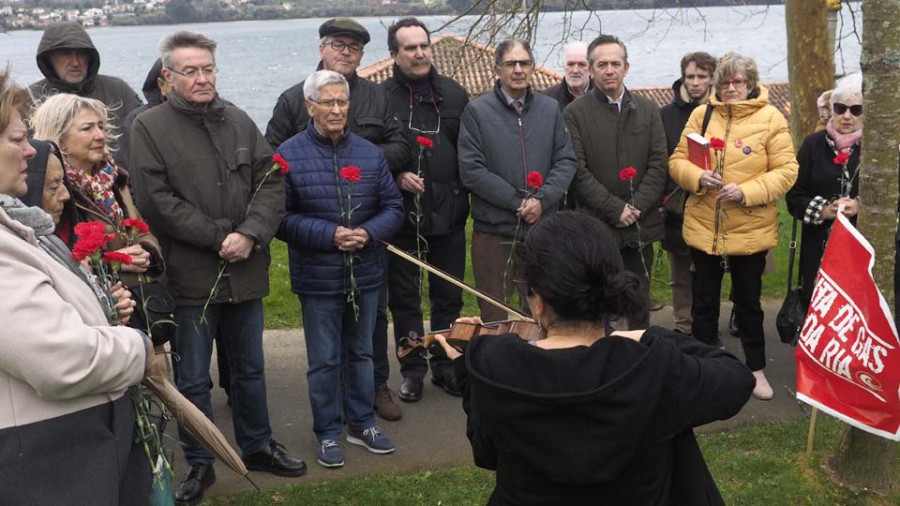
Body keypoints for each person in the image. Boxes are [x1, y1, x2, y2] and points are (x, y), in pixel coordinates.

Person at [435, 211, 754, 505]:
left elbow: (487, 454)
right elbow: (737, 378)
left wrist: (466, 372)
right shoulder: (654, 365)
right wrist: (646, 335)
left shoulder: (493, 364)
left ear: (539, 302)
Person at [130, 31, 306, 503]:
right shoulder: (149, 127)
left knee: (250, 368)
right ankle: (201, 462)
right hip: (190, 275)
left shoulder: (239, 121)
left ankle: (258, 445)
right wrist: (216, 237)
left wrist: (249, 234)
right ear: (167, 78)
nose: (203, 78)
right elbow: (155, 200)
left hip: (245, 270)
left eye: (208, 69)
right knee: (190, 378)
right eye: (191, 71)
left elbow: (272, 181)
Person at [1, 67, 153, 506]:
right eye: (16, 139)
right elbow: (62, 358)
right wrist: (137, 347)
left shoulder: (20, 229)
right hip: (48, 457)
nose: (29, 150)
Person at [266, 17, 408, 421]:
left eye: (354, 47)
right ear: (321, 49)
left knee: (370, 327)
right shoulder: (293, 99)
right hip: (318, 244)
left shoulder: (377, 99)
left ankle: (374, 392)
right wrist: (320, 174)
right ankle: (329, 422)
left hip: (367, 233)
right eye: (337, 44)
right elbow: (273, 163)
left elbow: (399, 147)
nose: (346, 52)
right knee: (325, 350)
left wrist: (367, 164)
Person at [669, 53, 798, 401]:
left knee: (748, 302)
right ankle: (701, 370)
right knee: (705, 301)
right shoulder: (701, 114)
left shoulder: (771, 118)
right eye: (724, 82)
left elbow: (787, 171)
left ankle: (755, 369)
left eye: (737, 82)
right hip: (704, 225)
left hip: (751, 227)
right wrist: (698, 177)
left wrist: (746, 192)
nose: (730, 89)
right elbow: (677, 161)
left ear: (750, 83)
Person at [382, 17, 470, 404]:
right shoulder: (380, 98)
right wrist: (397, 172)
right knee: (405, 298)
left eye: (424, 46)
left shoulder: (454, 94)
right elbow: (373, 151)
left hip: (449, 212)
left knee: (448, 296)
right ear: (394, 55)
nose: (419, 53)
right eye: (410, 48)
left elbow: (467, 150)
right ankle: (413, 367)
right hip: (402, 216)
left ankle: (446, 364)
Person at [458, 38, 577, 323]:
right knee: (495, 311)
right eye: (511, 63)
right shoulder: (477, 111)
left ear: (533, 67)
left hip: (542, 230)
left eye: (524, 63)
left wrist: (542, 199)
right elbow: (471, 169)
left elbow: (566, 160)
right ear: (497, 69)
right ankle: (496, 366)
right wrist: (517, 202)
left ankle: (537, 364)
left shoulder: (550, 109)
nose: (519, 69)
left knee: (542, 312)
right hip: (494, 231)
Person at [563, 34, 668, 329]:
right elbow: (577, 170)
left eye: (615, 63)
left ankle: (639, 359)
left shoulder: (648, 110)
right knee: (598, 303)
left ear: (626, 67)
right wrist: (615, 209)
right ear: (591, 70)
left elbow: (659, 163)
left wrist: (635, 207)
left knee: (637, 301)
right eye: (602, 64)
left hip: (640, 224)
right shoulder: (574, 114)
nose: (609, 69)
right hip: (598, 226)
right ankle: (602, 361)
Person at [30, 94, 164, 288]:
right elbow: (54, 254)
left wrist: (146, 252)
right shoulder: (52, 189)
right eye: (87, 128)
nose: (100, 135)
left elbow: (141, 228)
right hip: (96, 297)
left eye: (101, 126)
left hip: (141, 296)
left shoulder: (114, 177)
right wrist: (113, 262)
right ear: (61, 138)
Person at [787, 73, 862, 310]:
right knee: (820, 309)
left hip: (863, 246)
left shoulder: (879, 148)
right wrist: (823, 210)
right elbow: (793, 196)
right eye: (840, 108)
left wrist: (861, 206)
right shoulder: (813, 144)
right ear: (832, 109)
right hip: (818, 247)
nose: (847, 116)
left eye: (856, 110)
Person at [660, 51, 717, 336]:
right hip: (677, 203)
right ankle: (683, 327)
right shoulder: (667, 115)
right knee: (680, 273)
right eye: (690, 76)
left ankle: (707, 326)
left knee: (708, 273)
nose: (695, 83)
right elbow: (660, 159)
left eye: (702, 77)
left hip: (713, 202)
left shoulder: (722, 113)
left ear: (711, 79)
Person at [29, 22, 142, 129]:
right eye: (65, 54)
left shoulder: (118, 91)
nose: (75, 62)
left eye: (81, 54)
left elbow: (143, 129)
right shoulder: (30, 98)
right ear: (49, 59)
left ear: (90, 57)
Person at [115, 58, 170, 171]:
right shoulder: (137, 122)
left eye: (207, 70)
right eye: (189, 72)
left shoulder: (214, 117)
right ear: (161, 84)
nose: (200, 80)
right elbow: (126, 173)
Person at [541, 41, 593, 111]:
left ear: (591, 68)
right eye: (570, 64)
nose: (575, 71)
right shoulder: (546, 100)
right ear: (563, 66)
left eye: (582, 65)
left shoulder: (604, 97)